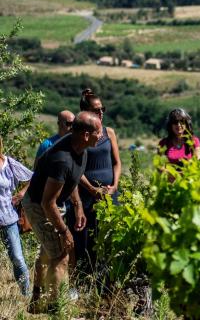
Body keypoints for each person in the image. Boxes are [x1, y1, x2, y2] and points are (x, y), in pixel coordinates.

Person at [22, 111, 102, 313]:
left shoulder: (78, 147)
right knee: (61, 254)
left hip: (51, 201)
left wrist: (79, 203)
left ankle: (37, 301)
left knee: (49, 252)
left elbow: (73, 176)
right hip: (38, 205)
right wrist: (64, 230)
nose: (101, 136)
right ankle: (56, 309)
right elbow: (47, 202)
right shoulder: (62, 158)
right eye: (98, 132)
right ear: (85, 134)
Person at [68, 88, 121, 272]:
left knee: (109, 237)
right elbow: (74, 168)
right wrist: (91, 189)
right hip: (87, 195)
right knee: (86, 240)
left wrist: (114, 186)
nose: (100, 113)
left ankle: (107, 280)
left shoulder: (109, 133)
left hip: (109, 194)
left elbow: (117, 162)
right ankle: (85, 281)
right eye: (96, 110)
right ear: (86, 113)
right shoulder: (78, 136)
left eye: (102, 109)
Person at [0, 136, 32, 296]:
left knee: (18, 259)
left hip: (8, 218)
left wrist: (21, 193)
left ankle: (26, 296)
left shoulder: (9, 164)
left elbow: (34, 177)